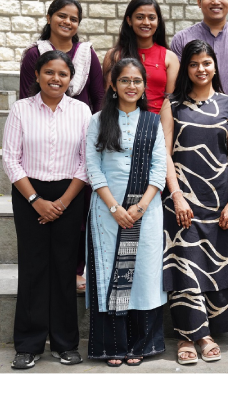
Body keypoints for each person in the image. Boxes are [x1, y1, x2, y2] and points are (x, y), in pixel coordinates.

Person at [3, 50, 91, 369]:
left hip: (69, 194)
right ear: (38, 74)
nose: (56, 79)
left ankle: (65, 343)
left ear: (70, 79)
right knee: (33, 267)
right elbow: (10, 158)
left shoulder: (81, 111)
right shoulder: (21, 109)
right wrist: (36, 200)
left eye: (63, 74)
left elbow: (86, 161)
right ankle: (29, 344)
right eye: (49, 72)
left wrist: (63, 202)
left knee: (65, 268)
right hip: (29, 194)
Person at [161, 39, 228, 365]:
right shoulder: (172, 105)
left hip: (220, 199)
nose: (201, 69)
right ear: (186, 68)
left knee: (217, 264)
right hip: (182, 202)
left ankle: (210, 331)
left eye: (206, 62)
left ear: (215, 66)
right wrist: (177, 196)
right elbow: (164, 154)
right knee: (184, 265)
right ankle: (190, 336)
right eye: (194, 63)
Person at [85, 58, 167, 367]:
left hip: (146, 210)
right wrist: (115, 208)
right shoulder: (98, 121)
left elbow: (159, 169)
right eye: (124, 80)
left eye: (137, 81)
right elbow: (93, 168)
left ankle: (141, 344)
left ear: (145, 86)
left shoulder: (152, 122)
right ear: (113, 85)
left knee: (144, 276)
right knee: (110, 275)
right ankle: (112, 345)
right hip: (107, 212)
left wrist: (140, 207)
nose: (131, 86)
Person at [19, 0, 104, 294]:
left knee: (81, 207)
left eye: (73, 18)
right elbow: (25, 96)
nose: (67, 22)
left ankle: (77, 268)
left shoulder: (86, 54)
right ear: (49, 17)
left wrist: (95, 136)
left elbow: (99, 97)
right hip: (44, 135)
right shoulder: (35, 54)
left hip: (80, 134)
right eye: (62, 16)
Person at [103, 0, 179, 114]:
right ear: (129, 20)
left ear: (158, 21)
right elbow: (110, 97)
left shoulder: (170, 58)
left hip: (158, 121)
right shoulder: (114, 56)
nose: (146, 22)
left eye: (151, 18)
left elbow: (171, 102)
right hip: (122, 120)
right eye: (140, 17)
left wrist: (157, 123)